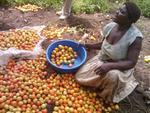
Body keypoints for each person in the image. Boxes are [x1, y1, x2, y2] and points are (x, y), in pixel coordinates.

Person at [75, 1, 143, 103]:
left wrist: (110, 66)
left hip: (119, 67)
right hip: (102, 60)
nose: (117, 12)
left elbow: (131, 62)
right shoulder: (110, 26)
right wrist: (87, 45)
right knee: (79, 77)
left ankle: (109, 91)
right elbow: (103, 45)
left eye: (122, 12)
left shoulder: (135, 38)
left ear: (130, 20)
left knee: (112, 76)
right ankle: (101, 82)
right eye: (119, 9)